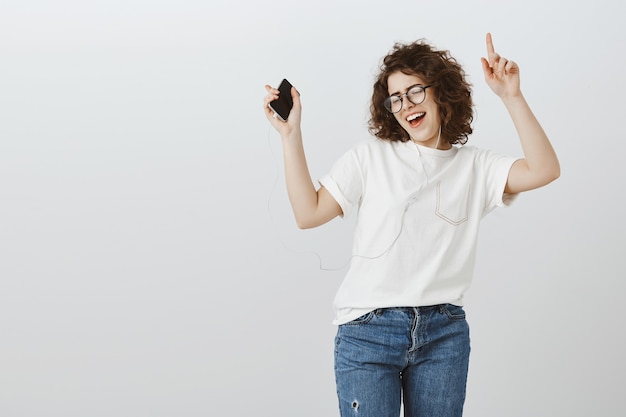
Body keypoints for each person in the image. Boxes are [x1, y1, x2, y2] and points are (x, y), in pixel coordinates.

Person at [262, 33, 559, 417]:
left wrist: (511, 96)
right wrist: (291, 135)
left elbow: (545, 169)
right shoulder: (370, 158)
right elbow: (308, 213)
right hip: (368, 331)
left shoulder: (476, 166)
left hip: (443, 333)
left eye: (415, 91)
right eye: (396, 98)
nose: (405, 105)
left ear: (442, 92)